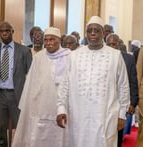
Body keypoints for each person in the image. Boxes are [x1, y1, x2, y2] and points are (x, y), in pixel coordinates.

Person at [56, 16, 130, 147]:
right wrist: (61, 108)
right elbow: (65, 84)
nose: (93, 33)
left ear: (103, 33)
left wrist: (122, 114)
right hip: (78, 116)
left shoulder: (115, 55)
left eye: (96, 30)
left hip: (105, 115)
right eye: (89, 31)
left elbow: (123, 87)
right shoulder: (74, 55)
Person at [12, 27, 70, 147]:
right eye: (46, 40)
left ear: (59, 40)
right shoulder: (39, 57)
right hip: (41, 107)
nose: (48, 43)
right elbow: (31, 83)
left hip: (62, 107)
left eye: (52, 40)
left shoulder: (69, 57)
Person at [0, 21, 32, 147]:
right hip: (0, 96)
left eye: (7, 30)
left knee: (21, 129)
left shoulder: (24, 51)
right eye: (2, 31)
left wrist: (31, 99)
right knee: (0, 130)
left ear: (12, 32)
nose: (4, 33)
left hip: (18, 96)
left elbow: (32, 77)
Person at [106, 33, 139, 147]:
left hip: (121, 102)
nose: (112, 46)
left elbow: (133, 82)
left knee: (119, 131)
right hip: (105, 102)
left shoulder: (129, 58)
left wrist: (133, 103)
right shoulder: (102, 58)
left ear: (119, 44)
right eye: (109, 44)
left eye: (114, 44)